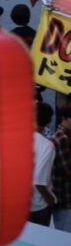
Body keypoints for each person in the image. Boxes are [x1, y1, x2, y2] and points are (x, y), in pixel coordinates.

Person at [31, 100, 56, 226]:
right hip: (38, 206)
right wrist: (50, 200)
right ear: (48, 122)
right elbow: (39, 182)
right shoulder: (47, 146)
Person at [51, 98, 71, 232]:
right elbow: (69, 170)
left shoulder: (64, 136)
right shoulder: (62, 138)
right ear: (65, 118)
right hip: (64, 197)